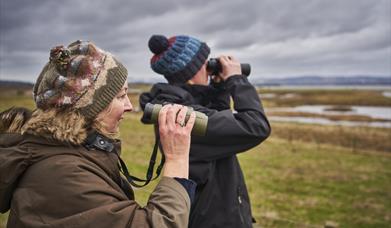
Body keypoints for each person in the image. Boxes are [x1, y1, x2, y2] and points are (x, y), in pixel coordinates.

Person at [0, 40, 197, 228]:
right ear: (90, 109)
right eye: (120, 96)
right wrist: (177, 159)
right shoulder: (63, 174)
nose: (129, 106)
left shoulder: (74, 151)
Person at [139, 35, 271, 228]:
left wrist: (218, 88)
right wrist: (237, 79)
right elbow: (255, 126)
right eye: (205, 64)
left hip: (210, 213)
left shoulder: (176, 105)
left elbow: (218, 123)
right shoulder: (183, 116)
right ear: (191, 73)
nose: (209, 70)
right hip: (211, 220)